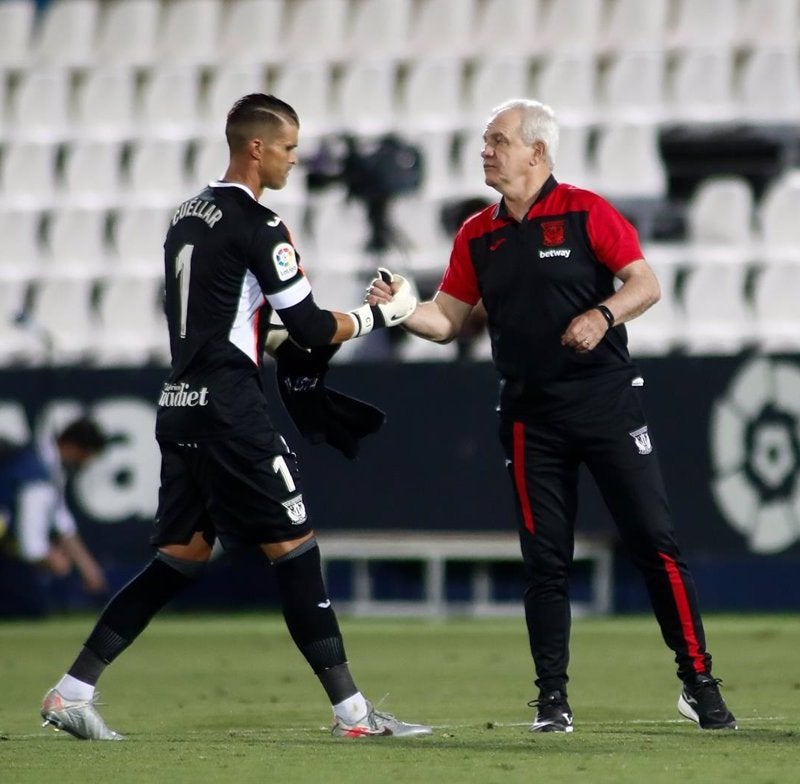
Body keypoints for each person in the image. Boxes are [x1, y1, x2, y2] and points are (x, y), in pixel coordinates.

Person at [40, 93, 429, 741]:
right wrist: (378, 317)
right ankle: (354, 717)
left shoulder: (185, 216)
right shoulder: (262, 224)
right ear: (256, 148)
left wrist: (264, 339)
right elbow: (308, 325)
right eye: (288, 149)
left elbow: (217, 315)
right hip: (229, 411)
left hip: (180, 405)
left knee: (177, 561)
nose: (294, 161)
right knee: (297, 553)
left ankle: (70, 690)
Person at [369, 99, 736, 732]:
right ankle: (552, 699)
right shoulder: (476, 233)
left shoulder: (588, 211)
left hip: (606, 400)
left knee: (655, 541)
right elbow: (447, 321)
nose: (486, 150)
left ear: (537, 152)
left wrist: (603, 315)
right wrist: (400, 307)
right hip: (529, 414)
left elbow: (644, 283)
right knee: (545, 559)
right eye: (485, 141)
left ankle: (697, 680)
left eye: (498, 141)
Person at [0, 417, 108, 617]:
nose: (87, 464)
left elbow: (62, 523)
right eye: (89, 456)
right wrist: (51, 559)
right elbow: (30, 545)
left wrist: (87, 567)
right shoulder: (36, 475)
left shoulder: (36, 460)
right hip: (8, 562)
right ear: (76, 447)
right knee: (31, 609)